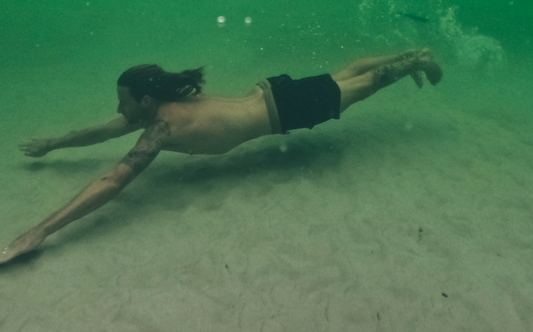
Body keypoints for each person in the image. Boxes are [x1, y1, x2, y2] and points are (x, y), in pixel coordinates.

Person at [1, 50, 442, 265]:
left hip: (287, 108)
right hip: (273, 92)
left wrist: (41, 230)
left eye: (123, 102)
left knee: (364, 84)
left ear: (146, 101)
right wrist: (53, 144)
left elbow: (113, 181)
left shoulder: (162, 126)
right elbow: (103, 131)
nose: (119, 111)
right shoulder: (157, 108)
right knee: (347, 73)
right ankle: (411, 53)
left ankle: (415, 61)